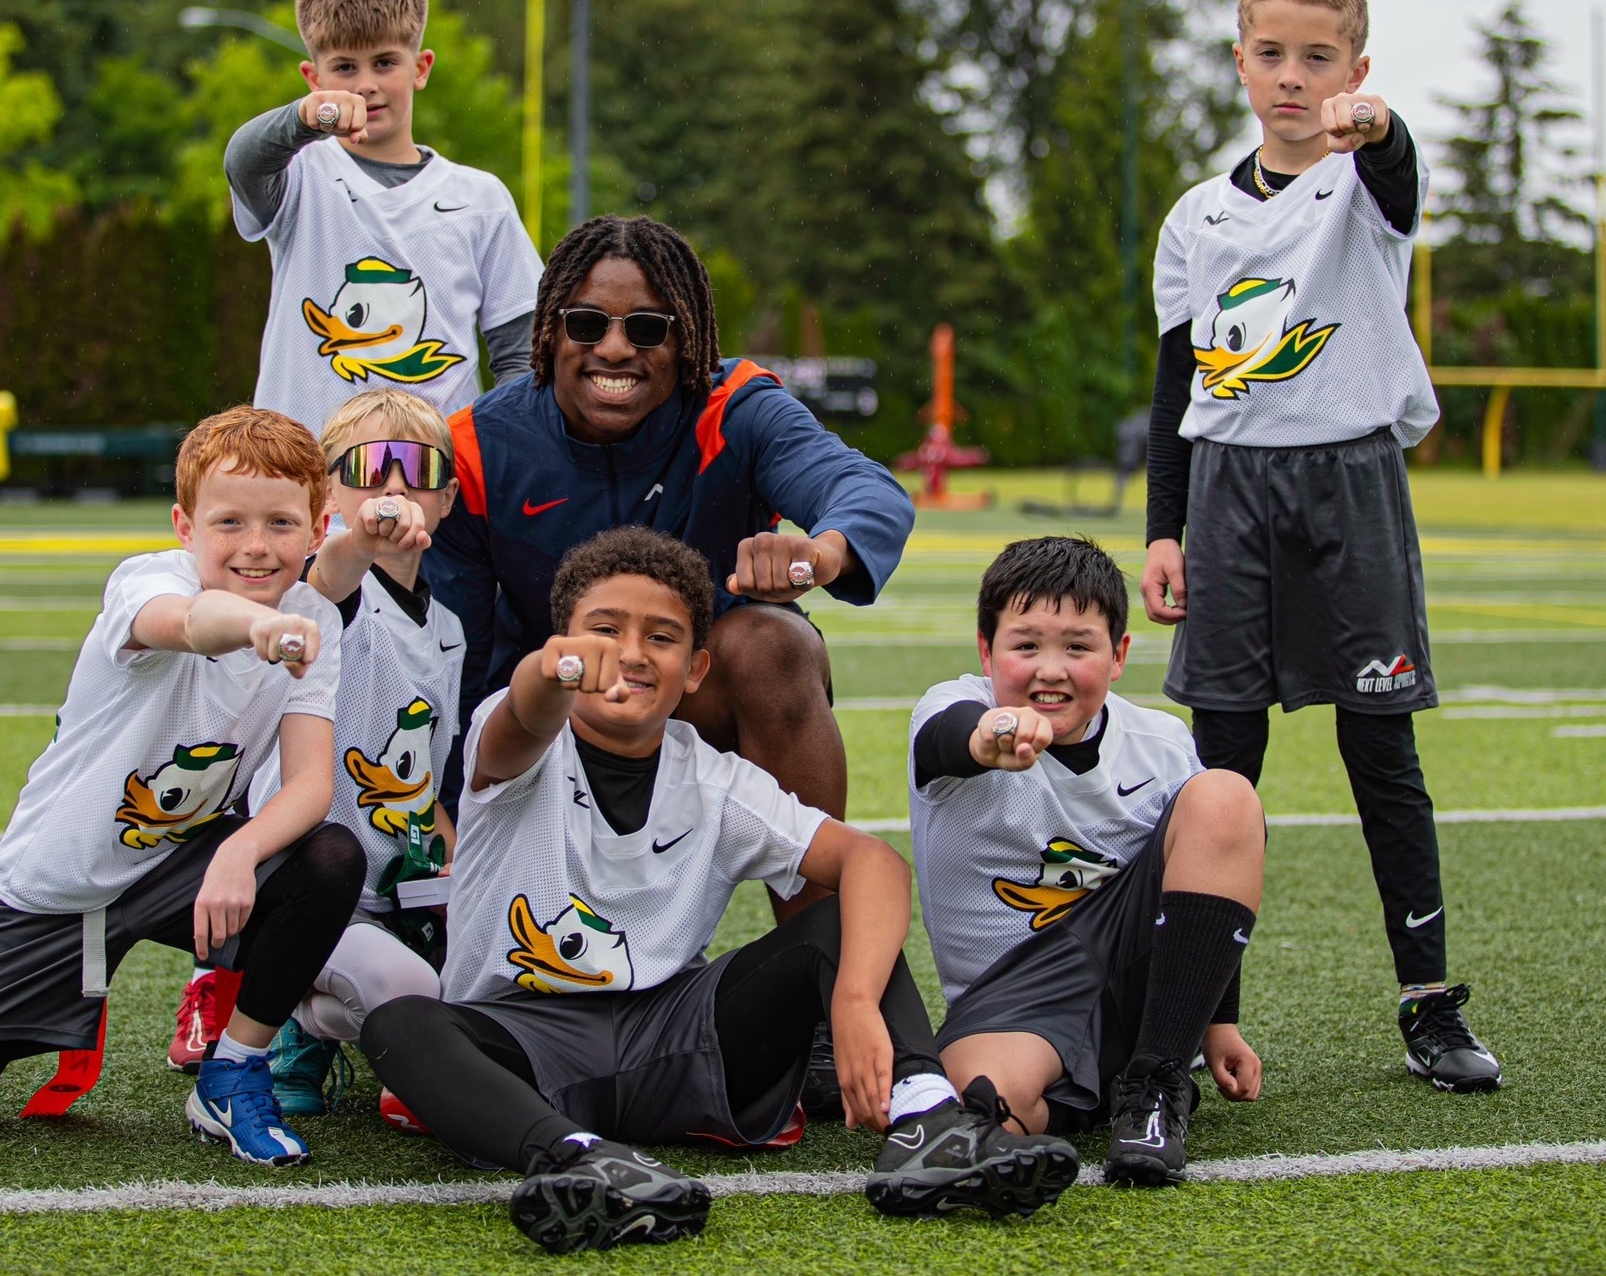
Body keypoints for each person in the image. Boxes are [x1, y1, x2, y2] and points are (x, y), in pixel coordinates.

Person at [363, 528, 1078, 1254]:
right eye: (604, 631)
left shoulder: (714, 780)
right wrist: (551, 672)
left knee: (840, 921)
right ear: (563, 644)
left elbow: (873, 862)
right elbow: (524, 714)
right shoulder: (522, 742)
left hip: (678, 1041)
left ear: (696, 669)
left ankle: (930, 1122)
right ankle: (576, 1160)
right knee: (401, 1024)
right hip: (524, 1044)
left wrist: (856, 998)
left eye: (661, 637)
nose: (631, 652)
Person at [0, 406, 366, 1167]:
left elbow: (310, 782)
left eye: (280, 523)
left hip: (174, 862)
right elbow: (191, 620)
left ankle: (235, 1068)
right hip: (61, 877)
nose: (255, 544)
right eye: (229, 522)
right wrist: (253, 628)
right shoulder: (150, 581)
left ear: (316, 530)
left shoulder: (312, 617)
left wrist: (241, 850)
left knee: (331, 857)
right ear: (184, 526)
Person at [1141, 0, 1500, 1093]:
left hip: (1350, 485)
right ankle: (1204, 1019)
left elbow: (1394, 164)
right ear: (1240, 62)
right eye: (1271, 54)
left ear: (1354, 68)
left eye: (1317, 57)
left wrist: (1376, 127)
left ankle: (1429, 1003)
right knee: (1220, 764)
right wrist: (1162, 529)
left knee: (1380, 752)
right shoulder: (1195, 216)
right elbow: (1175, 388)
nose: (1292, 77)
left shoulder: (1364, 187)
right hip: (1228, 493)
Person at [427, 216, 916, 869]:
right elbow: (453, 659)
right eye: (587, 324)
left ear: (687, 338)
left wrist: (821, 552)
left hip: (689, 705)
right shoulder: (478, 444)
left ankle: (819, 918)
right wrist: (457, 824)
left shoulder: (735, 408)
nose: (614, 349)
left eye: (647, 328)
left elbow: (865, 489)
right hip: (549, 719)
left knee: (775, 645)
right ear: (550, 331)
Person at [911, 536, 1265, 1186]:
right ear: (986, 650)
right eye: (1026, 646)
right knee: (976, 1102)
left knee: (1225, 796)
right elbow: (947, 737)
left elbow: (1203, 883)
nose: (1051, 669)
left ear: (1118, 655)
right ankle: (1096, 1095)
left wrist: (1220, 1023)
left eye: (1078, 647)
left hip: (1134, 979)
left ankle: (1157, 1081)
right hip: (1015, 997)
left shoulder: (1159, 742)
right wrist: (991, 736)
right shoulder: (953, 705)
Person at [171, 390, 465, 1116]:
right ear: (327, 498)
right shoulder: (325, 598)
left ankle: (344, 1013)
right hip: (321, 892)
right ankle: (295, 1018)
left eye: (417, 468)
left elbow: (425, 779)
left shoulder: (450, 627)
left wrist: (460, 864)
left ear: (449, 496)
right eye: (366, 468)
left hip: (404, 891)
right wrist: (358, 541)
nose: (392, 487)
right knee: (414, 995)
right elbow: (331, 574)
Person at [227, 0, 541, 438]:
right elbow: (243, 160)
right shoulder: (298, 173)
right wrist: (307, 117)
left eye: (385, 63)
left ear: (421, 67)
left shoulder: (482, 199)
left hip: (432, 472)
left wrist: (487, 451)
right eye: (344, 67)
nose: (366, 85)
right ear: (313, 78)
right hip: (302, 468)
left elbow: (521, 354)